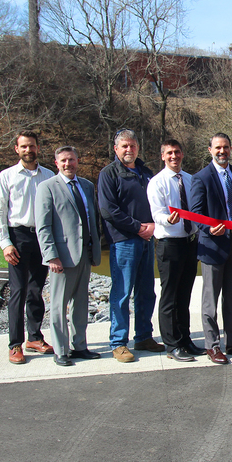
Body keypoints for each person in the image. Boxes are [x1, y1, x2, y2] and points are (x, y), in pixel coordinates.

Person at [98, 128, 163, 363]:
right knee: (122, 293)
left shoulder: (145, 172)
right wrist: (138, 227)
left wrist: (155, 226)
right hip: (124, 241)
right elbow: (108, 210)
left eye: (133, 145)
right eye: (124, 146)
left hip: (148, 240)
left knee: (146, 291)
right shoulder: (109, 174)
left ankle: (144, 336)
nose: (129, 149)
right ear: (116, 149)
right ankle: (118, 342)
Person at [190, 133, 232, 365]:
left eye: (226, 147)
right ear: (210, 150)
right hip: (213, 246)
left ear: (230, 148)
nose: (222, 151)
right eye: (218, 147)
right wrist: (208, 230)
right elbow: (196, 214)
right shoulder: (200, 178)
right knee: (210, 299)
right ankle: (212, 345)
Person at [0, 130, 55, 364]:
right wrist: (5, 243)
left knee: (35, 290)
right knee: (18, 291)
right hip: (17, 237)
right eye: (24, 146)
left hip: (42, 237)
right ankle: (15, 344)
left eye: (32, 146)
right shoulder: (7, 176)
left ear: (38, 148)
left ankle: (35, 337)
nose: (29, 150)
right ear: (17, 149)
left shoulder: (48, 176)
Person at [34, 146, 102, 366]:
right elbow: (43, 226)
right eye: (63, 160)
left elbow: (91, 219)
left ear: (77, 160)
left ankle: (80, 346)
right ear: (56, 163)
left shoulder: (86, 185)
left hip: (85, 254)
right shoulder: (47, 188)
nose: (68, 164)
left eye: (71, 160)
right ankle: (61, 350)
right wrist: (51, 256)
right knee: (58, 305)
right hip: (62, 257)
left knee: (80, 303)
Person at [147, 139, 205, 362]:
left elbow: (198, 210)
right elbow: (157, 214)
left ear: (182, 154)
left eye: (177, 152)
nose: (174, 156)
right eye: (169, 153)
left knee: (184, 294)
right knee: (169, 296)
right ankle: (172, 345)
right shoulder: (157, 182)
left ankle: (185, 339)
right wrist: (168, 219)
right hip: (169, 243)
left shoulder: (191, 180)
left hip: (189, 242)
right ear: (162, 156)